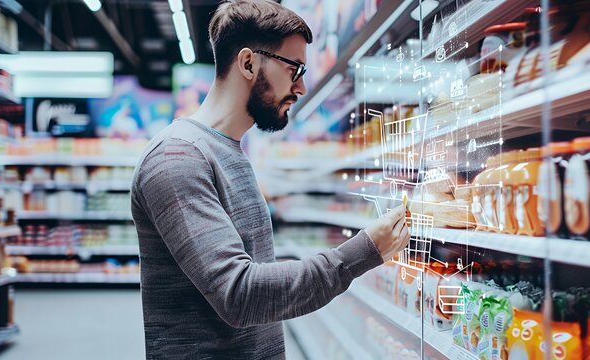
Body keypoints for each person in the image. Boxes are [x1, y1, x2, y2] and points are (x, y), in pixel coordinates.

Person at [130, 0, 410, 358]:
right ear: (248, 63)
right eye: (295, 69)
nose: (303, 87)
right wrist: (360, 252)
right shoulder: (177, 158)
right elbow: (238, 294)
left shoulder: (228, 151)